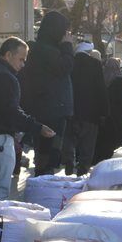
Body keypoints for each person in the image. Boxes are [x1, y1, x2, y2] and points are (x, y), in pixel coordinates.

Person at [0, 37, 54, 200]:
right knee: (0, 189)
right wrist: (37, 127)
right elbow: (11, 111)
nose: (23, 64)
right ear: (9, 55)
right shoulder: (3, 76)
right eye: (21, 59)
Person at [21, 10, 75, 175]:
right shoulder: (45, 50)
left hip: (50, 108)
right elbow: (64, 67)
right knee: (48, 156)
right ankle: (43, 184)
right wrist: (67, 46)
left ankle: (44, 178)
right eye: (64, 31)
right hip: (50, 110)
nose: (66, 35)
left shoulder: (44, 49)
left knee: (49, 156)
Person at [66, 40, 105, 175]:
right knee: (87, 145)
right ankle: (82, 170)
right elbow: (100, 89)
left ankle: (69, 165)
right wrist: (103, 112)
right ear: (90, 52)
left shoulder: (69, 63)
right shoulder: (95, 64)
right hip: (90, 113)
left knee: (70, 140)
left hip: (71, 111)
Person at [94, 55, 122, 162]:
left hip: (105, 113)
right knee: (116, 138)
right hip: (118, 114)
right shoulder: (119, 79)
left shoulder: (102, 78)